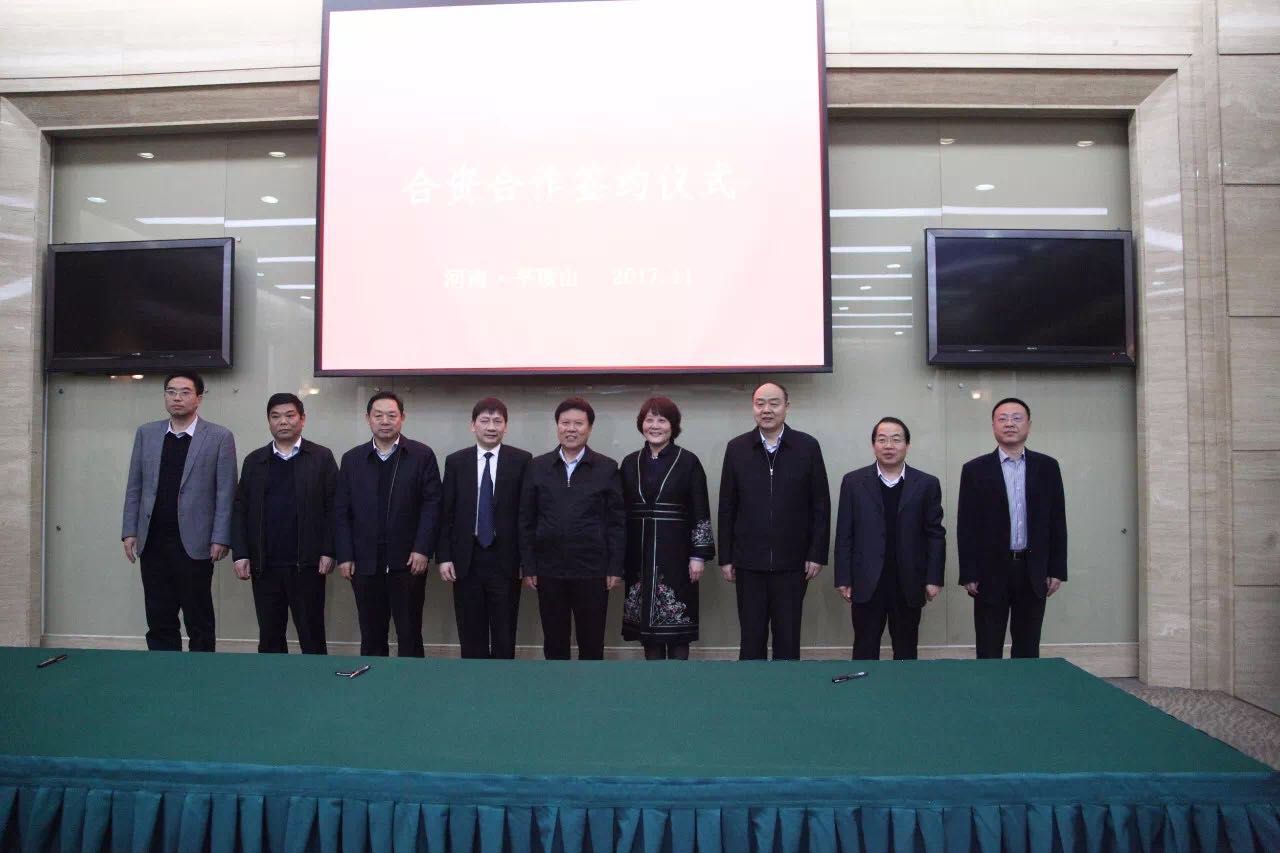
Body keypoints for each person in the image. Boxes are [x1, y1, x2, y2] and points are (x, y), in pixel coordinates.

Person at [121, 371, 237, 652]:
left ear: (199, 398)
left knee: (199, 618)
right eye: (171, 392)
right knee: (159, 616)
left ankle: (201, 672)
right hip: (153, 540)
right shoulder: (147, 433)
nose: (177, 398)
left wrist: (221, 537)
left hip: (195, 542)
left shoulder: (219, 436)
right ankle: (163, 671)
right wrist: (130, 531)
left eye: (185, 392)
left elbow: (226, 491)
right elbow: (135, 486)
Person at [718, 382, 830, 660]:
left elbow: (820, 505)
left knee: (788, 637)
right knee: (751, 637)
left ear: (786, 407)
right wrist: (726, 557)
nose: (766, 409)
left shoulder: (807, 447)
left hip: (793, 562)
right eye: (760, 403)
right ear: (753, 407)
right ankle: (751, 686)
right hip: (748, 562)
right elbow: (727, 506)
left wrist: (816, 554)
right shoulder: (737, 448)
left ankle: (787, 686)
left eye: (774, 403)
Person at [958, 397, 1067, 659]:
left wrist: (1056, 569)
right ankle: (990, 687)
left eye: (1017, 418)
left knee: (1028, 646)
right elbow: (966, 525)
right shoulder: (974, 470)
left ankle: (1025, 686)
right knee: (988, 645)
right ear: (993, 426)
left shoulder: (1048, 467)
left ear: (1028, 425)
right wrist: (969, 572)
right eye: (1003, 419)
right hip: (989, 571)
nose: (1009, 424)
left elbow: (1057, 520)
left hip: (1033, 570)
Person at [335, 391, 441, 657]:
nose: (385, 421)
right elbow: (341, 511)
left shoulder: (421, 455)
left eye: (392, 415)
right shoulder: (352, 459)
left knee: (410, 632)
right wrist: (345, 555)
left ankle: (410, 681)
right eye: (378, 415)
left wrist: (422, 549)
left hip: (408, 562)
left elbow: (432, 506)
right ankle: (373, 680)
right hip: (364, 562)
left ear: (402, 418)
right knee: (371, 634)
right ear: (368, 419)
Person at [230, 392, 338, 654]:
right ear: (268, 421)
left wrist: (329, 550)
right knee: (270, 636)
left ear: (302, 419)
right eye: (276, 416)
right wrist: (240, 553)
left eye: (290, 416)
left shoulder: (321, 457)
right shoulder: (255, 461)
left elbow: (334, 509)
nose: (283, 422)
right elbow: (240, 510)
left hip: (308, 565)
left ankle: (314, 678)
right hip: (265, 565)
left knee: (312, 635)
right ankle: (272, 679)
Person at [519, 397, 625, 660]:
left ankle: (591, 685)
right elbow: (526, 520)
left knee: (592, 641)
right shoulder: (537, 467)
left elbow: (617, 522)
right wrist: (529, 566)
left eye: (578, 423)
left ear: (589, 428)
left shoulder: (607, 468)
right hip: (548, 569)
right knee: (554, 641)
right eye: (565, 423)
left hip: (593, 570)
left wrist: (615, 567)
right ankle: (557, 685)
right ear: (557, 426)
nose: (571, 429)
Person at [834, 417, 945, 660]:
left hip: (909, 580)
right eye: (882, 440)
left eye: (896, 439)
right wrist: (843, 577)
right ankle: (864, 684)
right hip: (866, 579)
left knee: (906, 648)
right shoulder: (853, 482)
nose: (889, 446)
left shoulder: (926, 484)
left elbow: (935, 535)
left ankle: (904, 685)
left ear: (907, 445)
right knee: (864, 646)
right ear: (873, 445)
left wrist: (933, 578)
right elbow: (844, 533)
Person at [620, 397, 715, 660]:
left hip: (677, 554)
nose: (655, 426)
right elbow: (619, 512)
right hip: (638, 554)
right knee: (646, 627)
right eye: (649, 420)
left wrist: (698, 556)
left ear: (673, 426)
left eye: (662, 420)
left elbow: (700, 509)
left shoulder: (688, 462)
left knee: (677, 628)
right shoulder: (629, 463)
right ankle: (653, 678)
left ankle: (678, 677)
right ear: (641, 424)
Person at [437, 397, 532, 659]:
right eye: (485, 421)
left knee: (504, 633)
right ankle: (473, 679)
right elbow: (446, 513)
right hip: (466, 560)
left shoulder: (521, 460)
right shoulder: (456, 462)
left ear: (505, 426)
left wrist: (527, 562)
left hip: (506, 560)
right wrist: (444, 556)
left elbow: (526, 515)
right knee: (471, 633)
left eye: (497, 421)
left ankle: (502, 680)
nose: (491, 427)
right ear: (473, 425)